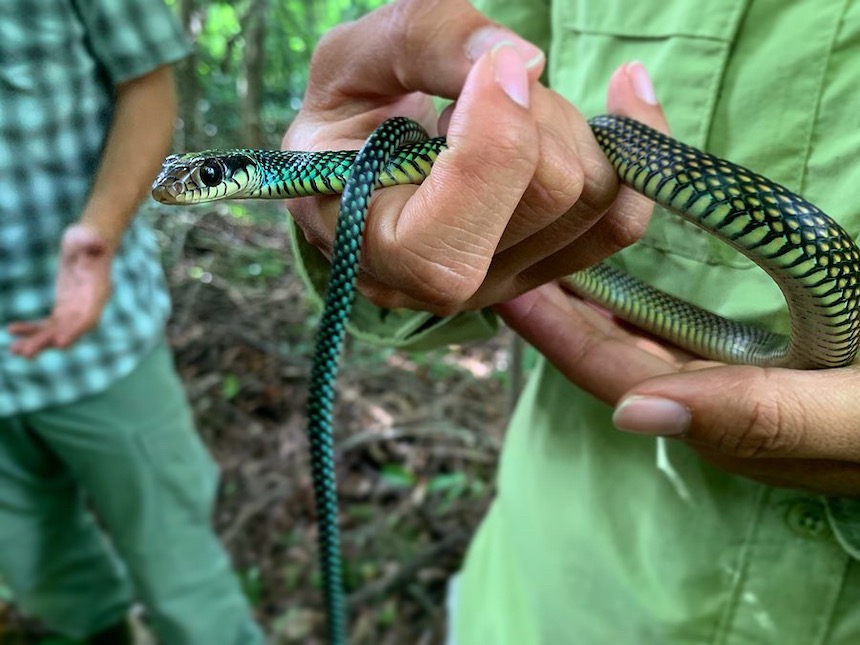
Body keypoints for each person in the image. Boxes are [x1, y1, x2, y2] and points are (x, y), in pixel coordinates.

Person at [283, 0, 860, 642]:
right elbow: (484, 106)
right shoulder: (358, 164)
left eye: (207, 176)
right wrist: (379, 242)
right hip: (542, 595)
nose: (184, 187)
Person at [0, 2, 263, 643]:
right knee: (44, 574)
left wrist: (100, 231)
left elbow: (149, 81)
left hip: (102, 342)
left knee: (183, 579)